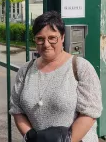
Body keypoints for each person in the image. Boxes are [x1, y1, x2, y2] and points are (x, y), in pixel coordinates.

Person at [9, 11, 102, 142]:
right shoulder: (25, 70)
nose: (46, 44)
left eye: (52, 38)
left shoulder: (81, 68)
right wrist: (30, 136)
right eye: (40, 39)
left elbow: (90, 112)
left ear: (63, 37)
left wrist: (68, 139)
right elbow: (16, 109)